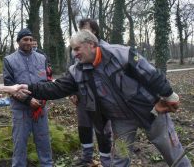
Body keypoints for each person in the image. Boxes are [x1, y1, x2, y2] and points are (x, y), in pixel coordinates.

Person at [18, 30, 191, 167]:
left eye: (77, 48)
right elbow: (56, 88)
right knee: (120, 158)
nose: (74, 54)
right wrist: (29, 88)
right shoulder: (77, 71)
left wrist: (168, 95)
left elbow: (150, 74)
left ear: (91, 44)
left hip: (151, 111)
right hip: (121, 121)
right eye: (73, 50)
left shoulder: (121, 54)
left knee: (171, 149)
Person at [3, 28, 53, 167]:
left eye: (31, 39)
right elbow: (9, 85)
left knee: (44, 143)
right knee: (19, 144)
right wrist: (28, 100)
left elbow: (46, 82)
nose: (29, 42)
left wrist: (42, 100)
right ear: (18, 41)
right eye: (25, 39)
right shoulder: (9, 60)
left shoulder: (42, 58)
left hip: (40, 109)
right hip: (21, 110)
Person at [69, 18, 112, 167]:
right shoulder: (78, 48)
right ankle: (87, 156)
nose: (83, 33)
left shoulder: (105, 48)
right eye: (81, 30)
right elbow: (75, 73)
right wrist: (73, 92)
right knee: (84, 126)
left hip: (100, 97)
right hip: (82, 94)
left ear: (94, 31)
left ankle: (107, 161)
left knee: (103, 130)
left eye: (86, 30)